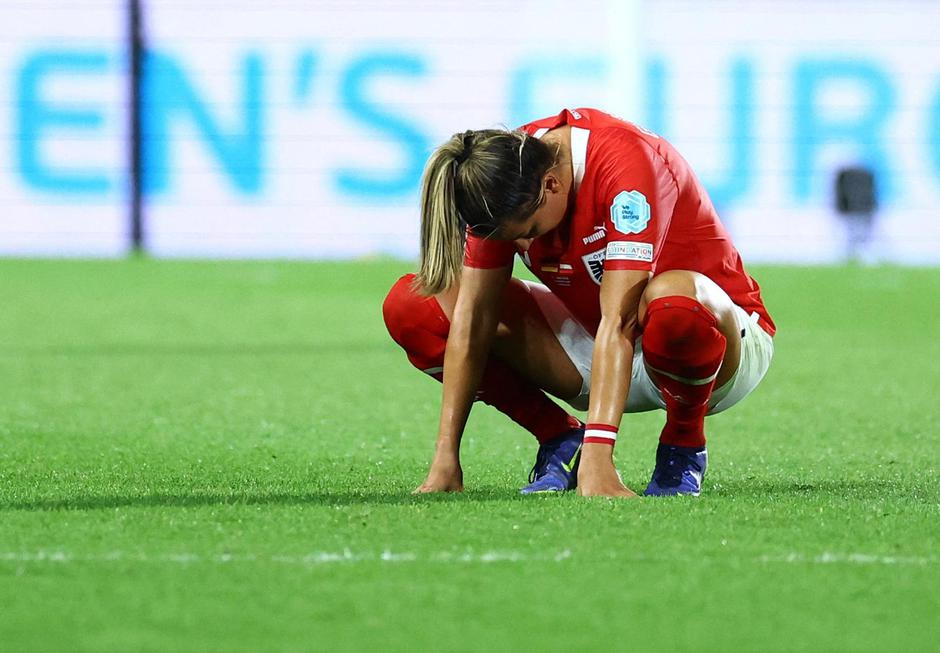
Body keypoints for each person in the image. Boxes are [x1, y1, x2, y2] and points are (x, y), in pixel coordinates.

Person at [382, 108, 775, 498]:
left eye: (531, 232)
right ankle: (561, 439)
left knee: (672, 301)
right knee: (414, 307)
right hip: (601, 343)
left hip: (717, 351)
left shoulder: (623, 163)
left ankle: (683, 445)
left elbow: (620, 321)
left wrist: (600, 461)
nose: (528, 242)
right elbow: (471, 324)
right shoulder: (499, 176)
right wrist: (445, 457)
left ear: (551, 185)